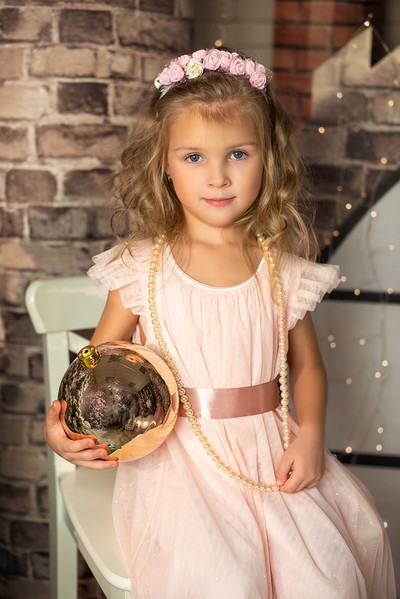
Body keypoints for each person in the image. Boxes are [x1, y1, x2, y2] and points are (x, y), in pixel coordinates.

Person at [44, 48, 396, 598]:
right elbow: (97, 367)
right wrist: (66, 430)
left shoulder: (282, 270)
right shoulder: (141, 267)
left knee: (329, 575)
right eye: (193, 157)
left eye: (237, 153)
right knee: (223, 581)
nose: (218, 176)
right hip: (176, 460)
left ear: (267, 158)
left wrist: (311, 434)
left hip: (270, 451)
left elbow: (307, 366)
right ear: (163, 163)